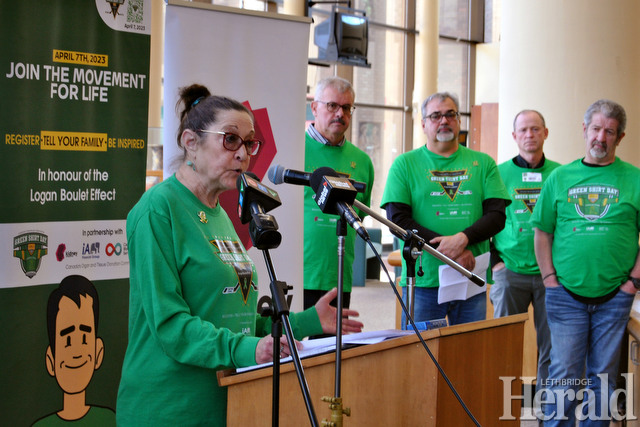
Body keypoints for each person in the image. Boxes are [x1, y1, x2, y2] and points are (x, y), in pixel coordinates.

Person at [116, 84, 363, 426]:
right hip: (169, 407)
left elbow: (237, 320)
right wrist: (247, 351)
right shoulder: (158, 211)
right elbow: (170, 326)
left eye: (249, 143)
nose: (244, 154)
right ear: (191, 142)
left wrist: (307, 321)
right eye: (230, 139)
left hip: (228, 400)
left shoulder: (221, 214)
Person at [531, 99, 640, 426]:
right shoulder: (560, 177)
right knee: (563, 374)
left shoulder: (634, 179)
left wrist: (633, 282)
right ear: (584, 130)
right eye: (596, 129)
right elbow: (542, 233)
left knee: (603, 378)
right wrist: (549, 278)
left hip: (615, 298)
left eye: (609, 131)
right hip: (565, 296)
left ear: (620, 137)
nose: (600, 137)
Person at [381, 91, 510, 326]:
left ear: (459, 120)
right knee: (420, 356)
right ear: (423, 124)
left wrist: (462, 239)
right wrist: (451, 251)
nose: (444, 120)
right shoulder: (404, 164)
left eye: (450, 114)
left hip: (471, 278)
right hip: (424, 280)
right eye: (435, 116)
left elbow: (497, 216)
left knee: (467, 353)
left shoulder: (483, 163)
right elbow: (397, 220)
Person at [490, 110, 560, 408]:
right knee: (503, 343)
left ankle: (549, 407)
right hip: (510, 272)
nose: (529, 135)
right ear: (514, 136)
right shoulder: (498, 173)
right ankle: (498, 404)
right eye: (523, 130)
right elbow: (485, 219)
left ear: (545, 133)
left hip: (551, 275)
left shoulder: (560, 174)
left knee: (553, 346)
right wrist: (496, 263)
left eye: (535, 129)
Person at [303, 77, 374, 314]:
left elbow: (360, 212)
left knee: (331, 349)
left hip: (338, 274)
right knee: (290, 348)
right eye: (332, 105)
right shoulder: (294, 148)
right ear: (315, 107)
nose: (339, 114)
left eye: (346, 108)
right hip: (296, 272)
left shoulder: (362, 161)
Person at [34, 275, 115, 426]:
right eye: (68, 341)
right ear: (51, 360)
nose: (77, 353)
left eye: (84, 339)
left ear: (98, 352)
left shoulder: (110, 419)